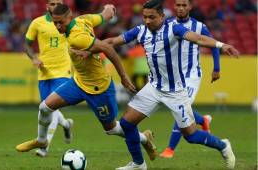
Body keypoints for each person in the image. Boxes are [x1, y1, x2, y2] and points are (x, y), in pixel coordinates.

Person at [104, 0, 238, 169]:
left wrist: (221, 45)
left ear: (162, 16)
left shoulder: (174, 29)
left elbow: (197, 38)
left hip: (175, 91)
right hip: (153, 88)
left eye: (151, 17)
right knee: (126, 124)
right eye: (144, 17)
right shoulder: (140, 30)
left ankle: (223, 145)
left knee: (191, 135)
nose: (147, 21)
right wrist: (90, 48)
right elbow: (112, 42)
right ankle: (138, 163)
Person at [16, 3, 158, 161]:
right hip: (78, 82)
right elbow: (104, 16)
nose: (57, 26)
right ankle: (42, 141)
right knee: (45, 107)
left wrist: (123, 77)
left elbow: (107, 48)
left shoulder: (77, 37)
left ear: (69, 18)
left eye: (60, 22)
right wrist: (108, 9)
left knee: (111, 129)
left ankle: (145, 139)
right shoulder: (83, 20)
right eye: (54, 22)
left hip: (99, 88)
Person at [159, 0, 220, 159]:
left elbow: (213, 45)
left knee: (180, 107)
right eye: (178, 5)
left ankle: (170, 149)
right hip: (175, 74)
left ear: (190, 7)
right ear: (174, 6)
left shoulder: (200, 27)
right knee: (178, 106)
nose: (180, 8)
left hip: (192, 75)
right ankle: (203, 120)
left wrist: (216, 68)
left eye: (184, 5)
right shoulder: (168, 24)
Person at [21, 0, 74, 157]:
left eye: (58, 3)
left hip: (63, 71)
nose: (55, 6)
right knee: (48, 108)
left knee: (51, 107)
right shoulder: (37, 23)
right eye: (52, 3)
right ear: (46, 5)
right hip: (44, 72)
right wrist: (34, 58)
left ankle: (44, 146)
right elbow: (27, 45)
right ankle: (66, 124)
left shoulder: (69, 23)